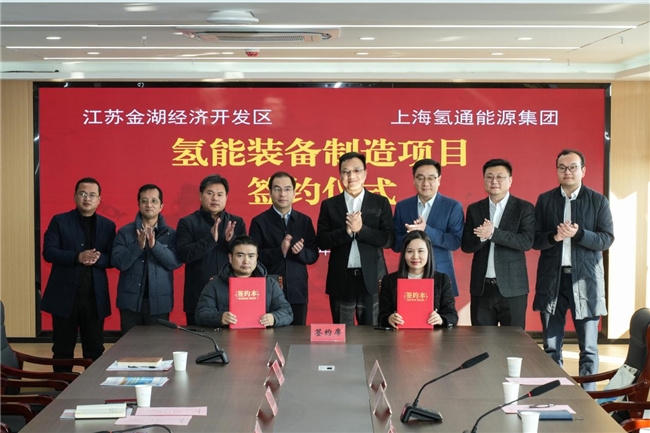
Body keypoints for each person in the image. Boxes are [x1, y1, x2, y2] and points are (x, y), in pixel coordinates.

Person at [533, 149, 614, 390]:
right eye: (562, 167)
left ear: (583, 171)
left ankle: (588, 399)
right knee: (551, 347)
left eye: (572, 167)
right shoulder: (545, 200)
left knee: (588, 348)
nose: (567, 172)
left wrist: (579, 234)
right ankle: (554, 394)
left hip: (586, 281)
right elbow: (534, 240)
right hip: (552, 281)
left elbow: (606, 239)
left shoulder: (598, 200)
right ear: (557, 170)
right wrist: (554, 237)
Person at [41, 178, 116, 370]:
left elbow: (113, 258)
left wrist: (99, 258)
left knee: (95, 350)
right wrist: (78, 257)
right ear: (75, 196)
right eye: (82, 194)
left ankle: (92, 387)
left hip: (94, 299)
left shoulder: (108, 226)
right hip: (64, 297)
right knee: (62, 350)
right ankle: (62, 386)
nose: (87, 198)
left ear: (99, 199)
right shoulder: (59, 221)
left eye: (92, 195)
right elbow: (48, 252)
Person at [317, 152, 394, 326]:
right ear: (340, 176)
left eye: (356, 170)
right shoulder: (329, 205)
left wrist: (361, 230)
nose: (351, 176)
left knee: (373, 332)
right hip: (341, 278)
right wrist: (345, 232)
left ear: (365, 173)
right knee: (342, 332)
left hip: (372, 278)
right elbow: (322, 240)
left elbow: (388, 239)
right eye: (346, 172)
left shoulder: (380, 203)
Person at [461, 159, 535, 328]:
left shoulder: (524, 208)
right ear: (484, 180)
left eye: (500, 177)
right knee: (482, 340)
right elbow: (466, 245)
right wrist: (482, 237)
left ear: (510, 180)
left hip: (513, 289)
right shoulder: (475, 209)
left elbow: (526, 242)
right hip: (482, 288)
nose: (494, 181)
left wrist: (494, 234)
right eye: (489, 177)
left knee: (513, 340)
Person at [249, 171, 319, 325]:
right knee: (268, 334)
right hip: (269, 290)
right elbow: (253, 256)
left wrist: (300, 252)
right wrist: (280, 251)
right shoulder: (259, 221)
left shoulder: (304, 221)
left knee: (298, 334)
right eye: (277, 189)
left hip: (297, 289)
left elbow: (313, 255)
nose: (282, 194)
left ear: (294, 193)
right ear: (270, 192)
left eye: (287, 189)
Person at [176, 174, 246, 326]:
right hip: (198, 294)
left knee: (234, 339)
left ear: (226, 198)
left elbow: (246, 259)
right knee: (197, 339)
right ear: (200, 196)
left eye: (220, 194)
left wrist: (231, 241)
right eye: (210, 193)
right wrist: (209, 240)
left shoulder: (237, 222)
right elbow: (184, 255)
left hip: (231, 294)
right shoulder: (187, 222)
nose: (215, 198)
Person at [112, 184, 182, 335]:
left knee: (158, 346)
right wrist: (138, 246)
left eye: (154, 201)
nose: (149, 205)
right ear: (138, 204)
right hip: (130, 304)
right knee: (130, 347)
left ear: (161, 206)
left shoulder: (171, 234)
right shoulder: (125, 232)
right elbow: (118, 262)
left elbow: (175, 262)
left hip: (159, 304)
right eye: (144, 201)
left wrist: (155, 246)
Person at [392, 159, 464, 296]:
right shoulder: (402, 206)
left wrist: (426, 230)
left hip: (441, 274)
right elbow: (395, 244)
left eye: (431, 178)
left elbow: (454, 242)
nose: (425, 183)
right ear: (414, 180)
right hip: (409, 276)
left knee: (441, 310)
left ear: (439, 179)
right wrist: (412, 235)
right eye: (420, 178)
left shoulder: (452, 206)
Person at [195, 236, 293, 328]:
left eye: (251, 256)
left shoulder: (270, 284)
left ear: (256, 258)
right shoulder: (215, 285)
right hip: (225, 337)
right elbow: (201, 314)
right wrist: (220, 317)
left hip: (263, 337)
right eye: (240, 255)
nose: (246, 261)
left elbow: (287, 312)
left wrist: (274, 318)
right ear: (230, 258)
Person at [379, 230, 457, 329]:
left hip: (433, 336)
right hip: (399, 335)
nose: (415, 256)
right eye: (410, 251)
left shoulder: (442, 280)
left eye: (420, 251)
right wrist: (389, 318)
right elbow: (382, 316)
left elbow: (452, 316)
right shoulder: (389, 280)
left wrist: (441, 319)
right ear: (404, 254)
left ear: (428, 253)